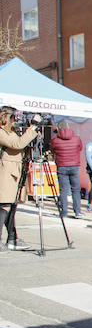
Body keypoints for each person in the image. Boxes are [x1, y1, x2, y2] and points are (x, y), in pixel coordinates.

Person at [0, 107, 39, 252]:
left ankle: (12, 239)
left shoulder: (11, 132)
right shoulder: (1, 132)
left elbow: (21, 146)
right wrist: (33, 127)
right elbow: (17, 144)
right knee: (4, 206)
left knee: (11, 206)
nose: (16, 120)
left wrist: (33, 134)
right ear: (6, 117)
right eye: (14, 117)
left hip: (13, 172)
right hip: (4, 172)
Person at [50, 121, 84, 219]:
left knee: (63, 190)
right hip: (74, 166)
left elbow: (53, 150)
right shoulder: (77, 139)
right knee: (76, 190)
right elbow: (80, 148)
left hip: (62, 166)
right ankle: (77, 211)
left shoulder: (55, 140)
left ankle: (64, 212)